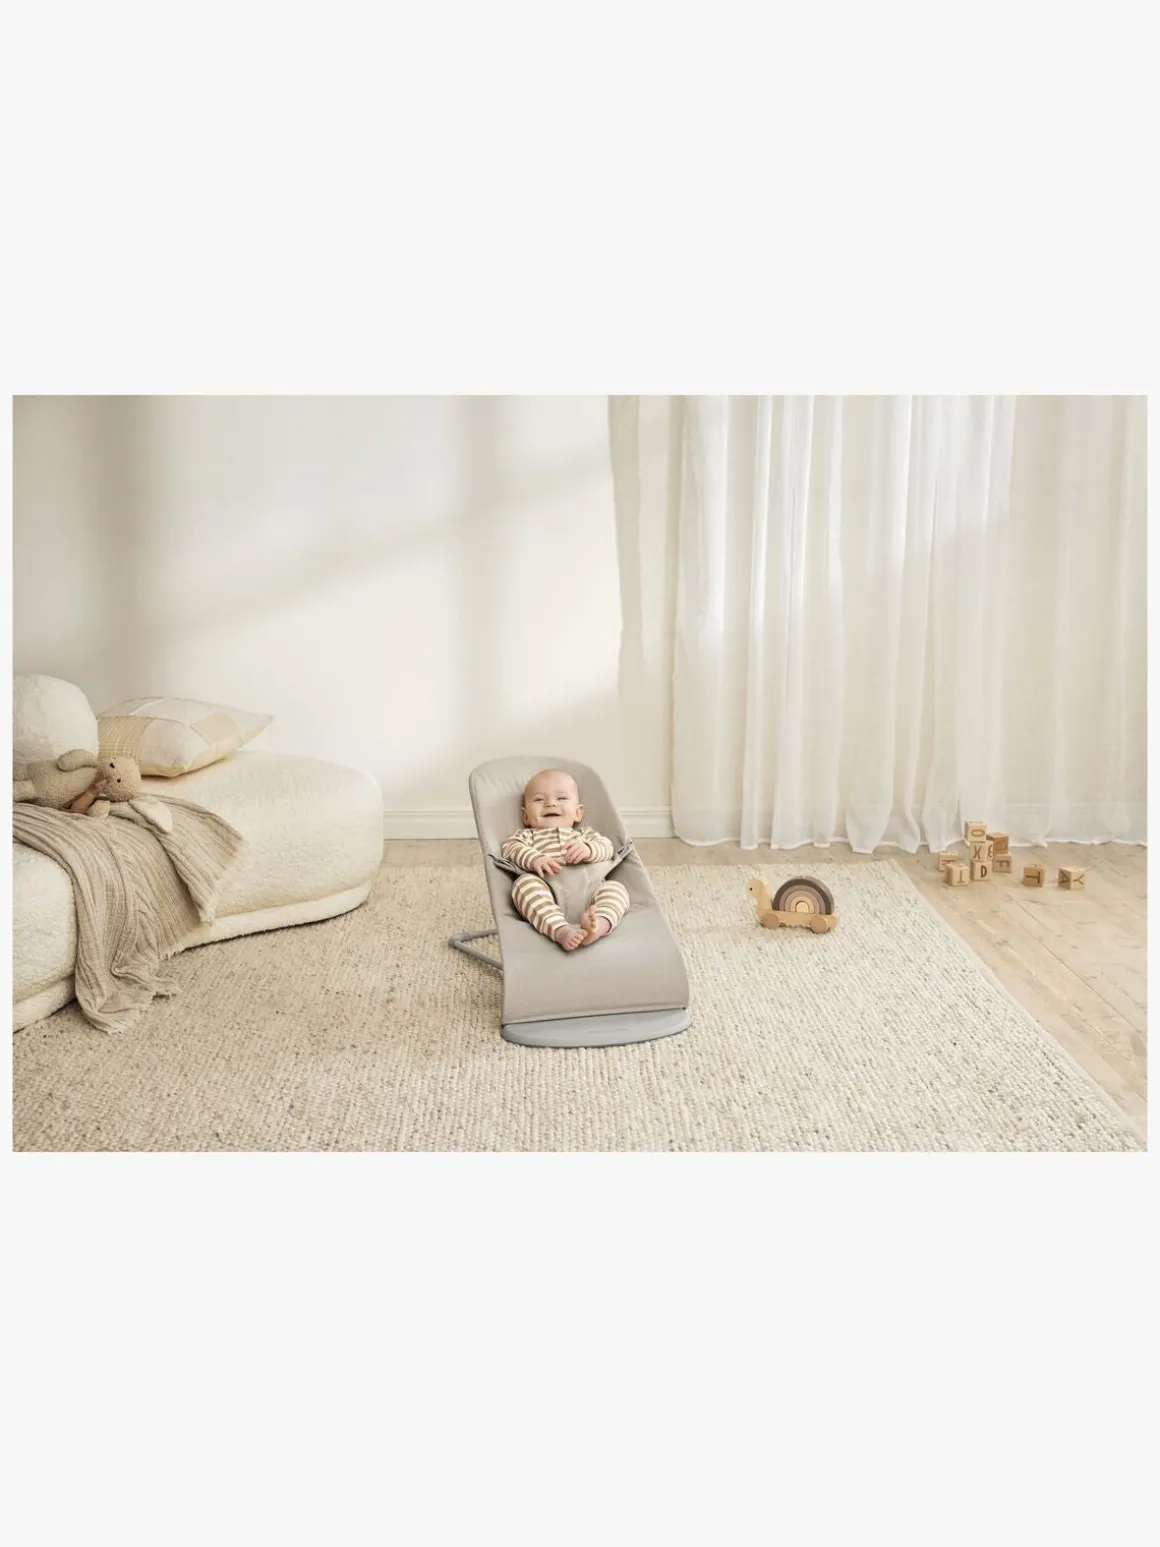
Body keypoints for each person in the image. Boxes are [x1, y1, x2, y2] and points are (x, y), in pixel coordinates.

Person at [501, 768, 629, 951]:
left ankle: (598, 925)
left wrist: (588, 849)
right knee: (524, 886)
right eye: (539, 799)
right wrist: (535, 858)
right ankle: (560, 930)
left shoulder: (584, 835)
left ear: (578, 813)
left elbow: (607, 848)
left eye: (561, 798)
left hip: (591, 894)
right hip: (549, 894)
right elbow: (510, 848)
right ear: (525, 815)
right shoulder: (527, 836)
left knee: (616, 889)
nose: (550, 804)